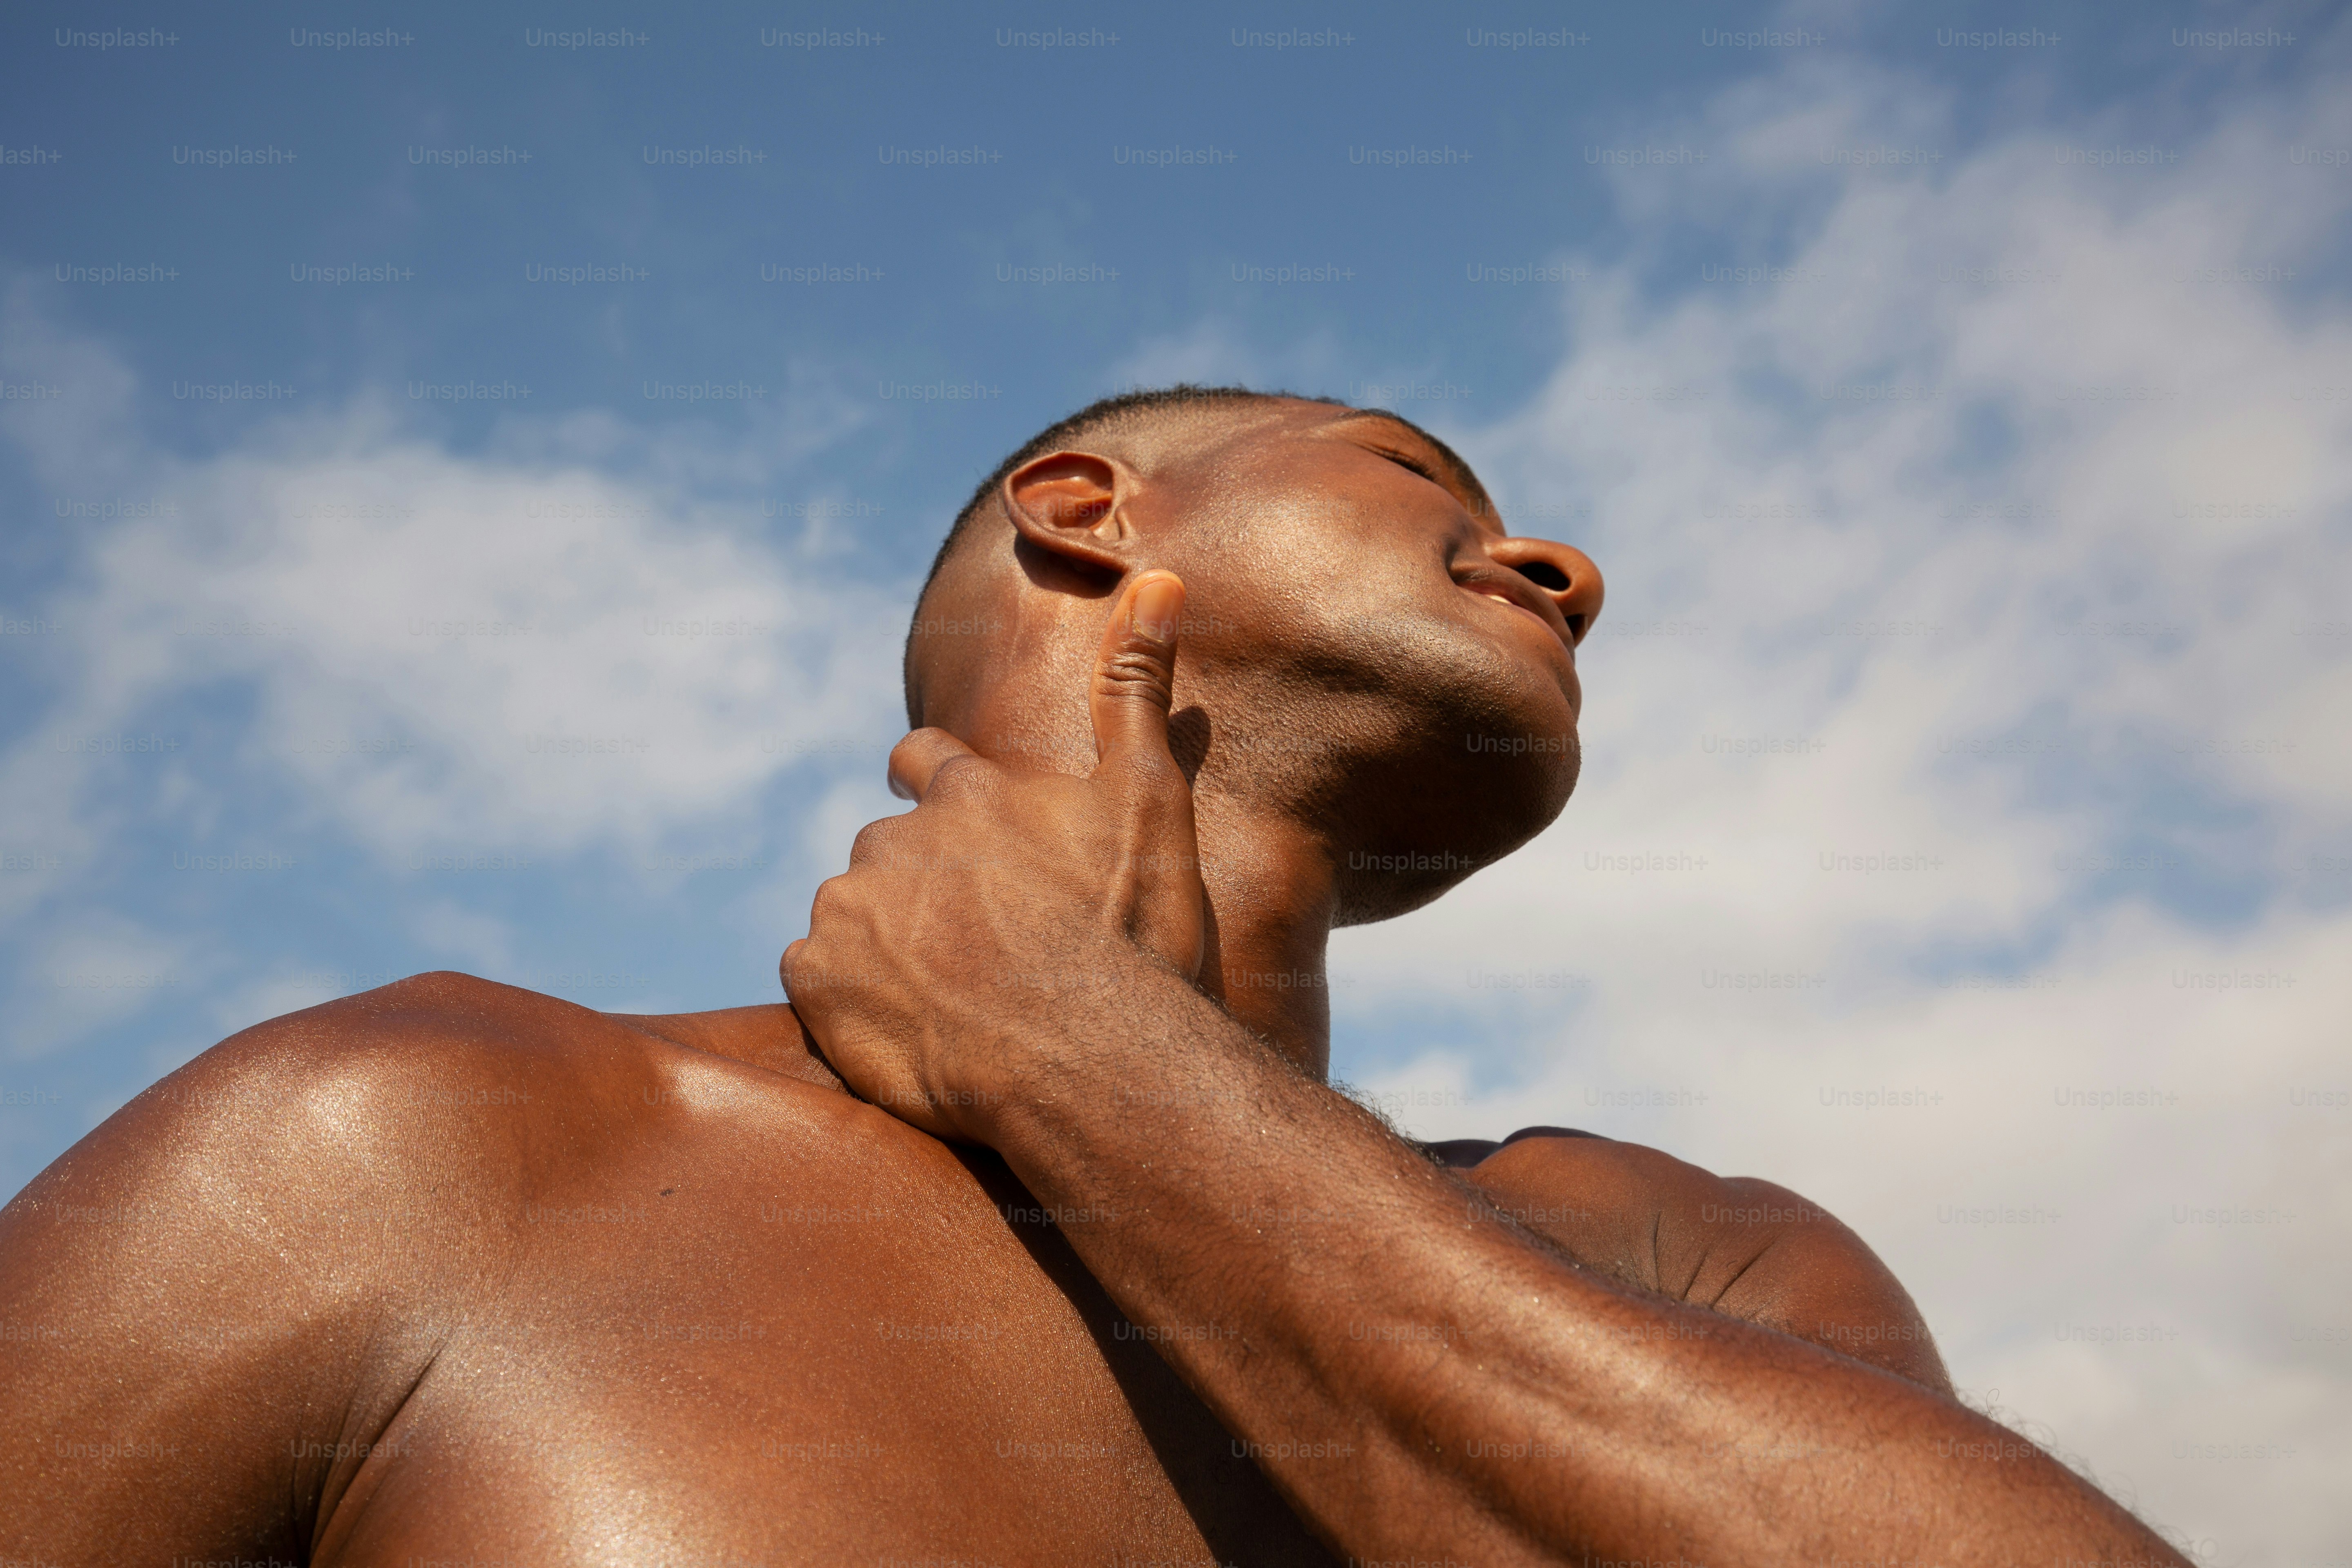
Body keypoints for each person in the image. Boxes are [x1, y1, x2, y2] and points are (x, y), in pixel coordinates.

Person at [0, 387, 2182, 1566]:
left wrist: (1092, 1073)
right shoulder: (420, 1136)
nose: (1569, 564)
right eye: (1426, 472)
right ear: (1084, 512)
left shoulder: (1688, 1260)